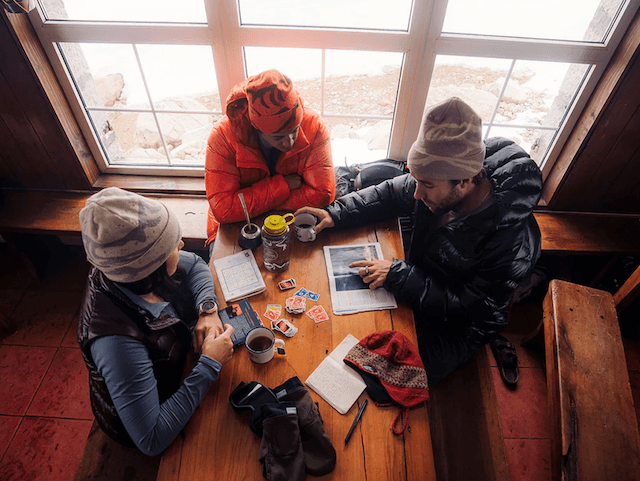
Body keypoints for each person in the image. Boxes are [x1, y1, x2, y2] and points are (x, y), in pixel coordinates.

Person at [296, 97, 542, 385]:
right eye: (418, 180)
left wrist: (400, 275)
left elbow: (467, 307)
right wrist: (335, 213)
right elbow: (391, 193)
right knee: (353, 336)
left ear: (464, 181)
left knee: (381, 379)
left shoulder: (509, 244)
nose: (416, 194)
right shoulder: (440, 177)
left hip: (464, 324)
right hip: (424, 279)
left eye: (426, 185)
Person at [78, 187, 235, 456]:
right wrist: (209, 364)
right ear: (152, 267)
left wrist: (208, 310)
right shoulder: (115, 342)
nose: (182, 246)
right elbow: (151, 439)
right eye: (174, 245)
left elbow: (196, 264)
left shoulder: (129, 272)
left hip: (172, 367)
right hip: (147, 419)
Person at [205, 69, 335, 250]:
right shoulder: (223, 136)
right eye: (278, 137)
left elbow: (322, 194)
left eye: (295, 130)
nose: (290, 141)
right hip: (232, 228)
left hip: (287, 219)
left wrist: (255, 203)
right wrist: (282, 187)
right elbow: (224, 209)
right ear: (256, 129)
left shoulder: (313, 125)